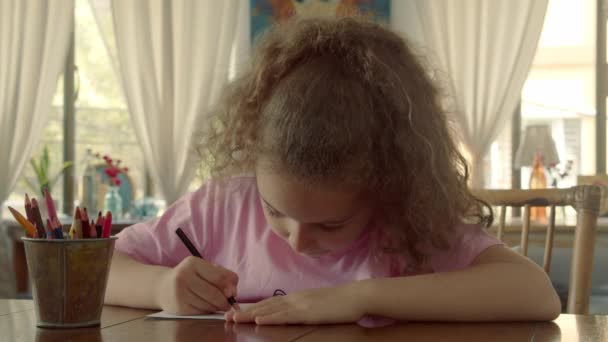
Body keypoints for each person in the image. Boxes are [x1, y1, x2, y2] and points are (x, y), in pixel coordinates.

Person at [105, 17, 560, 325]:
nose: (299, 240)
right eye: (275, 210)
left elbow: (535, 293)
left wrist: (358, 297)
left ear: (387, 186)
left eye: (331, 223)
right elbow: (99, 269)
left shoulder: (406, 228)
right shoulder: (222, 206)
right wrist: (163, 285)